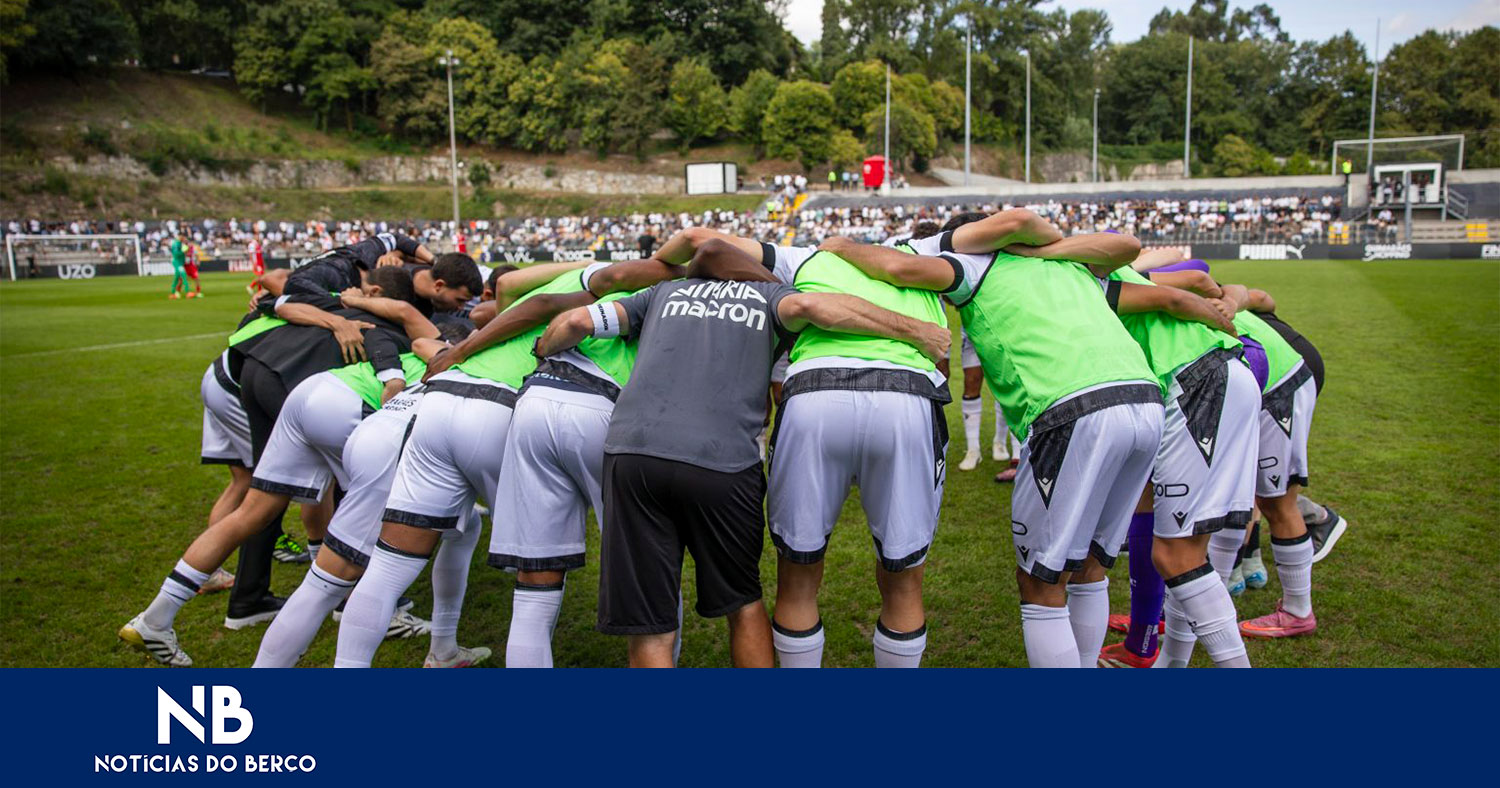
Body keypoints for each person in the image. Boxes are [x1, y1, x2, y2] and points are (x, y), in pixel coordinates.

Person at [534, 239, 949, 668]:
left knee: (652, 626)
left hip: (635, 454)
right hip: (722, 461)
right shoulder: (768, 296)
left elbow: (576, 321)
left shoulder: (659, 295)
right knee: (743, 603)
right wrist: (914, 330)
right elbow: (818, 308)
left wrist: (543, 350)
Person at [820, 211, 1161, 669]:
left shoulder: (974, 266)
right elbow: (1128, 244)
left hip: (1071, 408)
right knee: (1090, 568)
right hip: (1143, 398)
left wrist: (840, 246)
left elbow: (898, 268)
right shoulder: (1070, 266)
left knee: (1041, 584)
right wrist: (1050, 249)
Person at [331, 258, 675, 668]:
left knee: (391, 566)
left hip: (444, 399)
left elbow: (509, 285)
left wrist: (586, 263)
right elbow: (543, 303)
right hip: (517, 404)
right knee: (555, 581)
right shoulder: (638, 294)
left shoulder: (561, 284)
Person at [119, 272, 438, 665]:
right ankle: (365, 606)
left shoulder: (335, 300)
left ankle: (156, 616)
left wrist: (340, 309)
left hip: (268, 384)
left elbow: (277, 301)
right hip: (321, 395)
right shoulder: (396, 326)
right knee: (367, 512)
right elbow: (404, 324)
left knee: (260, 508)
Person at [1081, 265, 1257, 670]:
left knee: (1178, 555)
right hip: (1220, 373)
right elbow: (1195, 280)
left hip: (1194, 383)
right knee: (1185, 545)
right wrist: (1228, 304)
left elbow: (1178, 296)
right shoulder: (1121, 270)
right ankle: (1173, 664)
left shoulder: (1081, 278)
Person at [168, 232, 189, 300]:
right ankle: (188, 292)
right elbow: (176, 254)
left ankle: (172, 293)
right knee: (184, 276)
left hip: (179, 262)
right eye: (183, 237)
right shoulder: (176, 244)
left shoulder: (179, 243)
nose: (183, 238)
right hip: (178, 263)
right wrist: (183, 252)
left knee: (177, 278)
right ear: (180, 236)